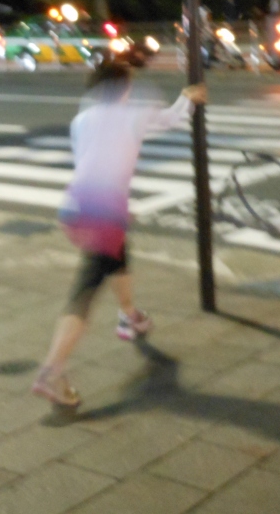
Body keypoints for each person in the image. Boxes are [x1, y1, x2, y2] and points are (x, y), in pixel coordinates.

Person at [33, 61, 206, 407]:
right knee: (85, 288)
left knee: (118, 257)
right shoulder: (133, 114)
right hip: (105, 212)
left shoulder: (81, 120)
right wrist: (190, 96)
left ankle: (130, 316)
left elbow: (91, 161)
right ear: (124, 87)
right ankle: (52, 370)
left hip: (77, 205)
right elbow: (173, 117)